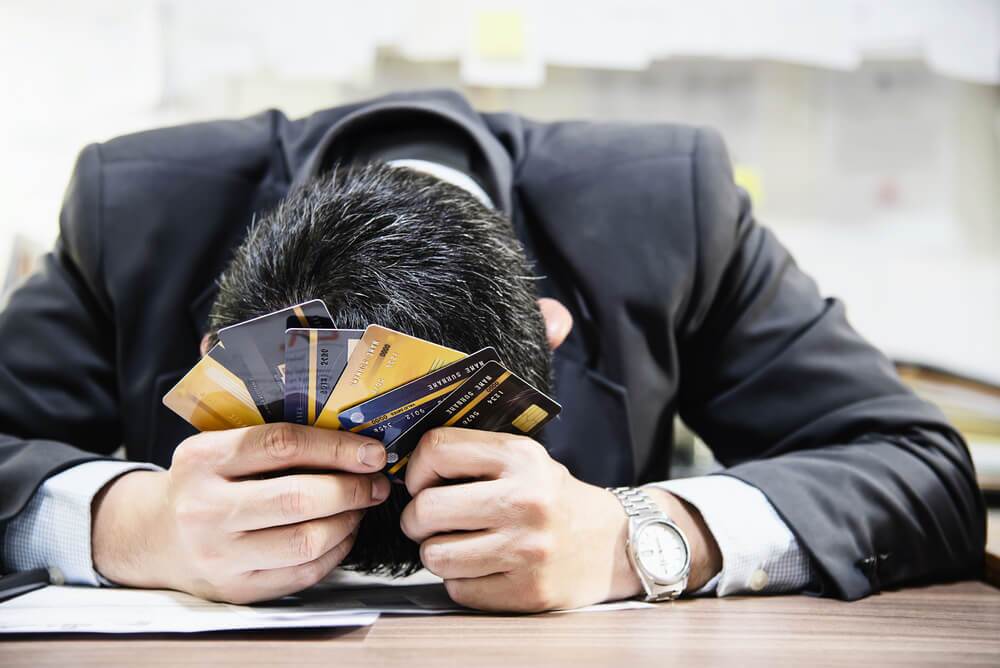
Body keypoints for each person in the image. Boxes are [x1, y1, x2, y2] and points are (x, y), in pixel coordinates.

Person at [0, 90, 984, 611]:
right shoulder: (127, 209)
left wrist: (637, 536)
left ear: (549, 335)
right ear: (219, 352)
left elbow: (916, 467)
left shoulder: (670, 209)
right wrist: (132, 525)